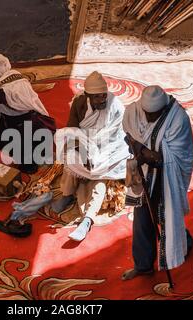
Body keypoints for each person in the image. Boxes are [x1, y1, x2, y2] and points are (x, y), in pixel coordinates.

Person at [121, 85, 193, 281]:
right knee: (142, 218)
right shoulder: (134, 111)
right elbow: (128, 133)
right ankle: (143, 265)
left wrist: (144, 150)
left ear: (163, 109)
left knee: (168, 214)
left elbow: (172, 156)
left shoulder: (178, 119)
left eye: (155, 115)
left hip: (168, 174)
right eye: (148, 114)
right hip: (144, 173)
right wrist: (142, 149)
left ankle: (183, 242)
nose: (151, 118)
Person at [52, 71, 130, 242]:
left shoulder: (115, 106)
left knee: (99, 175)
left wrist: (96, 156)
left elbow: (117, 136)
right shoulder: (79, 103)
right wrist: (84, 151)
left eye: (104, 95)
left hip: (109, 148)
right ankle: (67, 194)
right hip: (85, 143)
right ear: (88, 95)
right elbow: (72, 130)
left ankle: (88, 219)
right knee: (70, 157)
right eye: (97, 97)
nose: (102, 99)